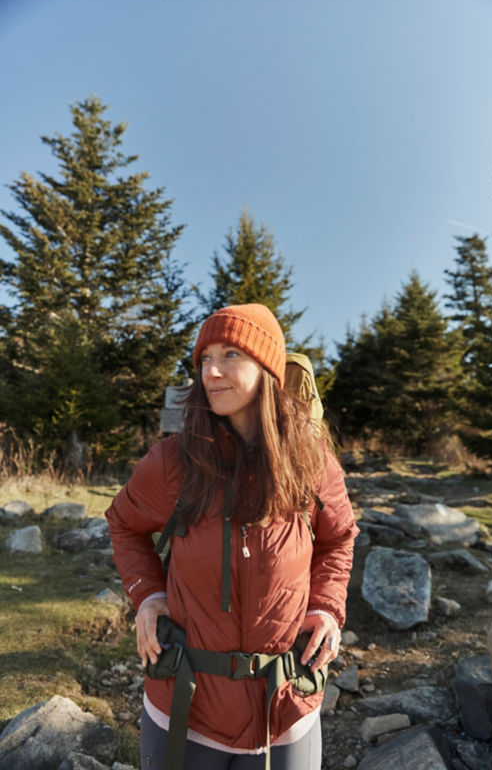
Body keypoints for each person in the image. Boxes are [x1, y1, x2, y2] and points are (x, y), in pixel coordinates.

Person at [106, 303, 358, 770]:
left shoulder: (310, 461)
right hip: (185, 707)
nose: (212, 371)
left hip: (285, 708)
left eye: (230, 355)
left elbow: (338, 538)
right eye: (204, 358)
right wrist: (147, 593)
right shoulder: (173, 462)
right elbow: (123, 523)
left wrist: (326, 607)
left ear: (265, 365)